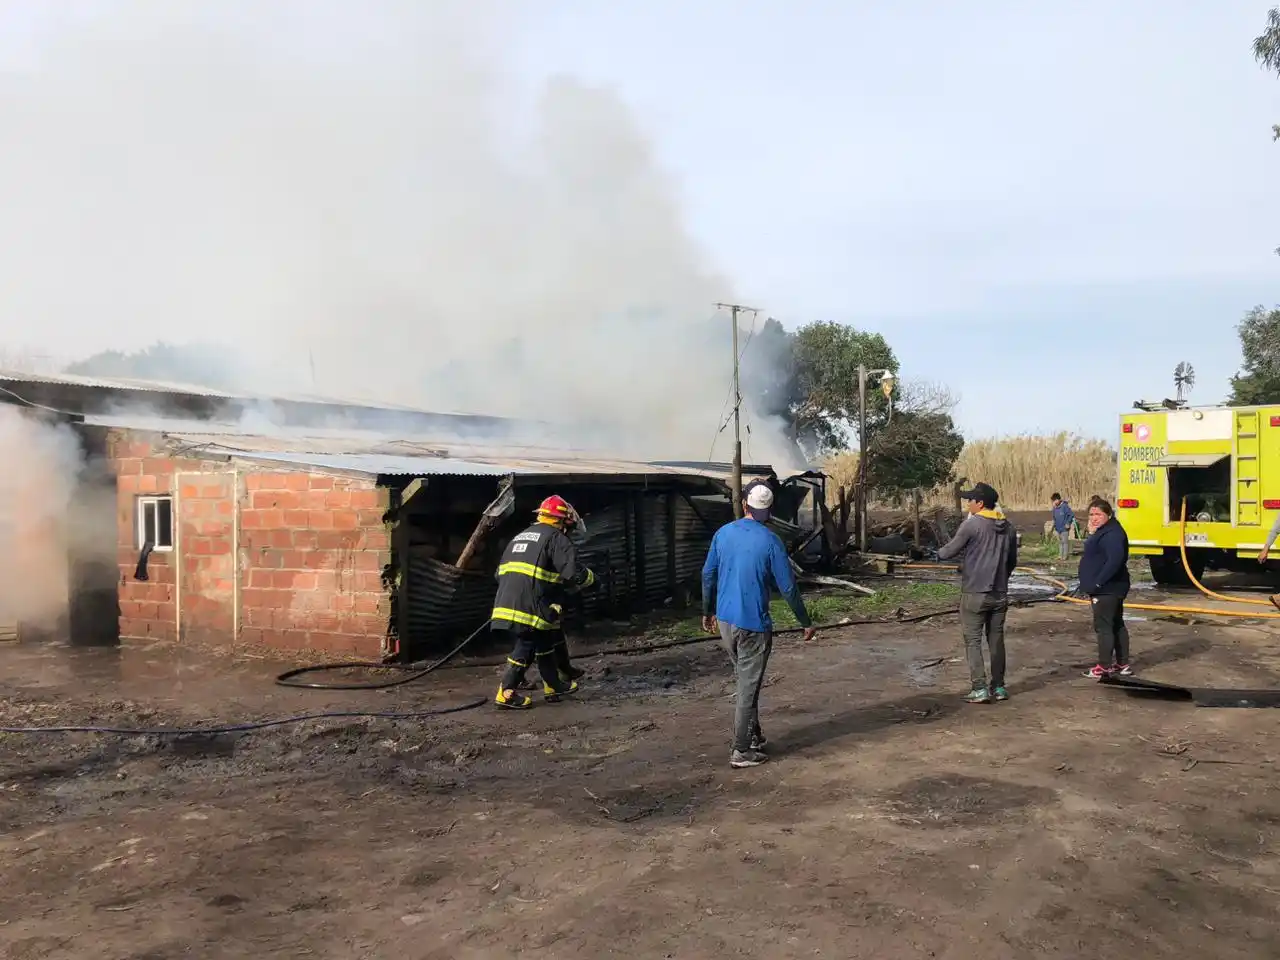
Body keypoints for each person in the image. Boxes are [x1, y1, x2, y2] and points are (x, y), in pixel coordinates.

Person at [701, 480, 816, 769]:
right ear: (770, 511)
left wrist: (707, 611)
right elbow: (788, 588)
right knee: (747, 687)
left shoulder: (723, 533)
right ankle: (741, 750)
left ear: (744, 505)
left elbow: (707, 574)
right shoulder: (771, 542)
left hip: (726, 620)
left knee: (746, 680)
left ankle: (753, 736)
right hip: (753, 623)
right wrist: (805, 622)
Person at [491, 495, 596, 710]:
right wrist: (594, 581)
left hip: (507, 599)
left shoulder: (521, 536)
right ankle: (506, 691)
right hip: (530, 602)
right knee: (527, 643)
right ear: (562, 521)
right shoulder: (557, 538)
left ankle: (553, 685)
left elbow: (498, 574)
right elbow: (573, 574)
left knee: (544, 639)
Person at [936, 481, 1019, 704]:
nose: (967, 504)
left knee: (972, 640)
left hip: (975, 592)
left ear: (980, 503)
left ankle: (979, 688)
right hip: (1000, 593)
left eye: (970, 500)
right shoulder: (1008, 527)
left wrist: (934, 554)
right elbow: (1011, 562)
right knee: (996, 640)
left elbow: (949, 551)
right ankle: (999, 687)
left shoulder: (972, 525)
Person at [1078, 498, 1132, 679]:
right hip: (1111, 587)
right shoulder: (1106, 531)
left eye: (1098, 514)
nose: (1094, 518)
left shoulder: (1112, 534)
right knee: (1116, 624)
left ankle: (1104, 666)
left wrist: (1098, 582)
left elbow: (1115, 560)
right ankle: (1122, 663)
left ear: (1108, 514)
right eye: (1091, 514)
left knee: (1105, 627)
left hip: (1107, 589)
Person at [1050, 493, 1075, 561]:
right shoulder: (1055, 508)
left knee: (1065, 542)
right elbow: (1054, 517)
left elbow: (1071, 514)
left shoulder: (1064, 506)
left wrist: (1068, 523)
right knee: (1060, 542)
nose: (1054, 502)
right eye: (1053, 501)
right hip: (1058, 528)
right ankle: (1060, 556)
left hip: (1064, 528)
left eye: (1054, 500)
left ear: (1058, 499)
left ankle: (1065, 556)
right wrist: (1054, 526)